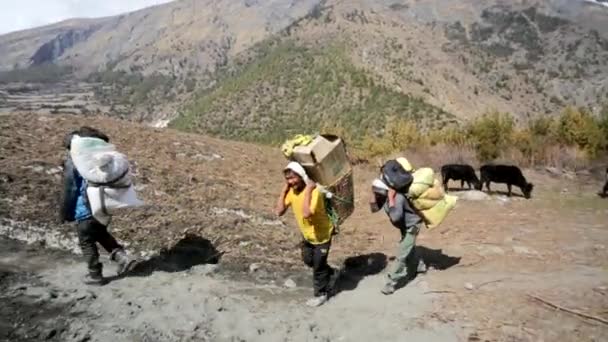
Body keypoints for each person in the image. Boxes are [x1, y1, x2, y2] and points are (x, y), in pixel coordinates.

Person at [60, 126, 135, 285]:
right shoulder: (99, 159)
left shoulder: (74, 163)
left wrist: (65, 212)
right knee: (100, 233)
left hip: (85, 210)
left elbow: (70, 190)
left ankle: (95, 275)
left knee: (86, 241)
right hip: (103, 206)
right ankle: (122, 258)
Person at [275, 162, 339, 307]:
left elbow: (306, 213)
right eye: (288, 179)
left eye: (293, 178)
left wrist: (309, 190)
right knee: (308, 260)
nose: (290, 182)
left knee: (318, 267)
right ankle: (332, 273)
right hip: (307, 236)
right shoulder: (291, 192)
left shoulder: (315, 191)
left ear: (302, 176)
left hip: (322, 236)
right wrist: (283, 191)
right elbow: (279, 211)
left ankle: (321, 294)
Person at [370, 178, 426, 295]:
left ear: (384, 191)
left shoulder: (397, 198)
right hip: (404, 226)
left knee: (401, 253)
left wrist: (391, 199)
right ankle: (420, 266)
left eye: (377, 191)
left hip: (412, 226)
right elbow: (374, 209)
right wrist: (374, 197)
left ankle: (391, 283)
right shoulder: (383, 197)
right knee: (408, 247)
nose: (376, 194)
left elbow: (396, 217)